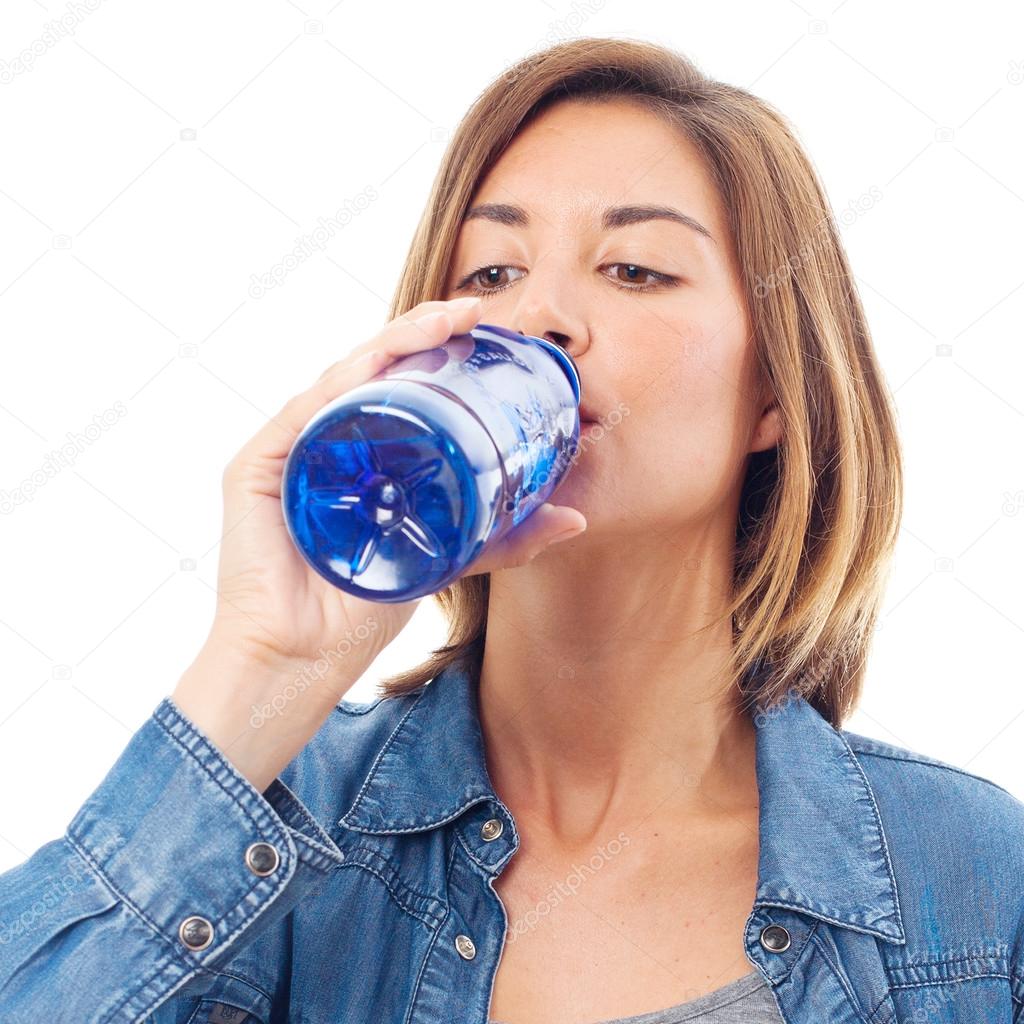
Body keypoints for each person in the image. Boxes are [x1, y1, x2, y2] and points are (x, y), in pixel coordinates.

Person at [1, 36, 1022, 1024]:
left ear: (774, 392)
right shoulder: (262, 841)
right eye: (490, 272)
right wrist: (262, 666)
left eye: (632, 270)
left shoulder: (966, 875)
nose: (537, 317)